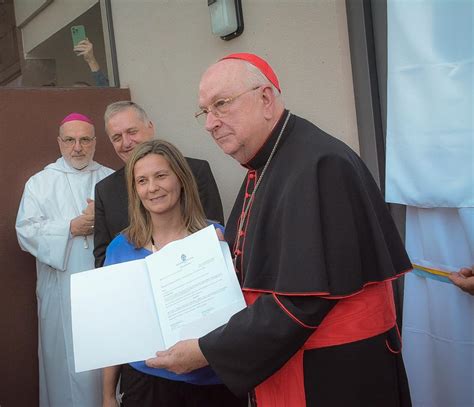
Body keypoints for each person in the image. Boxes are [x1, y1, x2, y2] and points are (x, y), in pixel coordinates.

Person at [145, 53, 413, 406]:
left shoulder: (320, 164)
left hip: (333, 375)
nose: (210, 123)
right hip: (294, 360)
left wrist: (207, 350)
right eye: (204, 112)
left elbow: (300, 301)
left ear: (266, 99)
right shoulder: (265, 164)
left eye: (221, 105)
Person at [102, 139, 246, 407]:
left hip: (213, 385)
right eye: (142, 181)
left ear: (180, 179)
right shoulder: (121, 248)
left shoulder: (217, 240)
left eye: (160, 176)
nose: (152, 188)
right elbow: (113, 329)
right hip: (147, 386)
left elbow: (243, 320)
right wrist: (108, 396)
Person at [16, 113, 113, 407]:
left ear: (95, 142)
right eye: (70, 140)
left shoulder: (111, 179)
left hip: (106, 289)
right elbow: (25, 231)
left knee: (107, 353)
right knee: (65, 366)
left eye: (85, 139)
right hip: (61, 292)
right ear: (60, 143)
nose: (78, 147)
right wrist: (70, 228)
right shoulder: (40, 183)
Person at [94, 101, 224, 267]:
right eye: (117, 137)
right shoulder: (105, 191)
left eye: (132, 131)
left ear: (150, 127)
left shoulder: (197, 171)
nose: (126, 142)